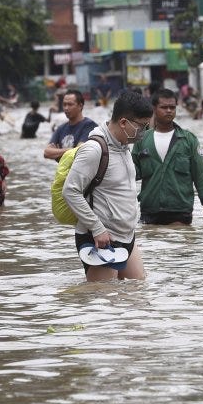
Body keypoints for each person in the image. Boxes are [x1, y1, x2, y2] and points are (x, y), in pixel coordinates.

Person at [63, 90, 153, 282]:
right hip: (102, 238)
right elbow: (70, 191)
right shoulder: (94, 149)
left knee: (138, 289)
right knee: (102, 296)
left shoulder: (124, 147)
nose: (144, 132)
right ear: (123, 122)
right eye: (141, 127)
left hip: (127, 235)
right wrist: (97, 229)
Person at [132, 89, 203, 226]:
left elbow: (200, 173)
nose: (169, 111)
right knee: (149, 238)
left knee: (178, 237)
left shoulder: (189, 140)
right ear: (154, 109)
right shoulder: (142, 140)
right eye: (164, 107)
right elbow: (130, 173)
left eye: (172, 107)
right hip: (149, 210)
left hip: (180, 210)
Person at [43, 90, 98, 161]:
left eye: (70, 104)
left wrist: (57, 152)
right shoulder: (61, 128)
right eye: (64, 104)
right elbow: (47, 153)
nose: (66, 108)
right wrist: (71, 150)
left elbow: (79, 152)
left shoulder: (90, 126)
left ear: (80, 106)